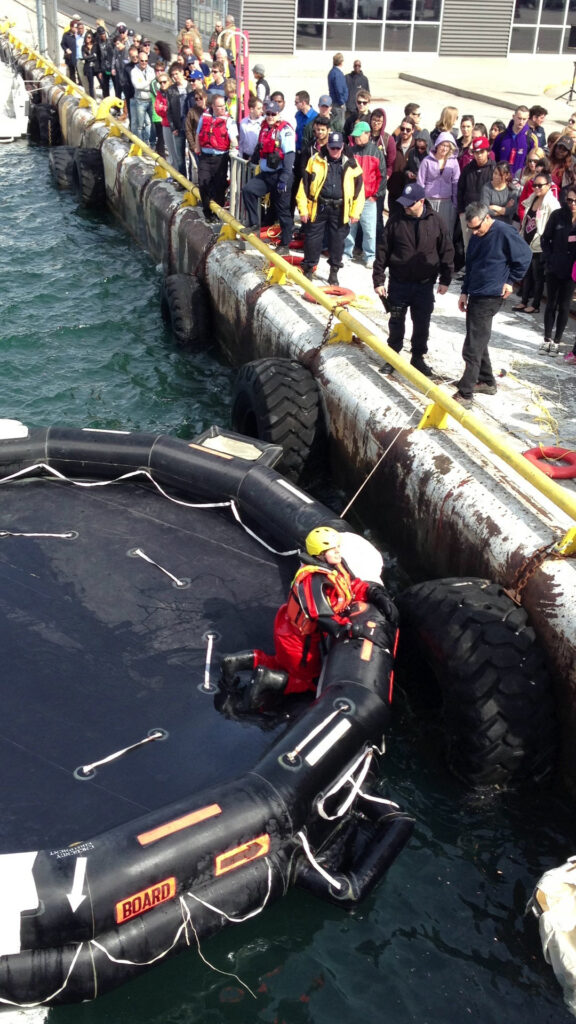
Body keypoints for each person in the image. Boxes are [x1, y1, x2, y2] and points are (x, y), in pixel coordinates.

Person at [220, 527, 396, 701]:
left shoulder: (335, 566)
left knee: (281, 663)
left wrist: (375, 593)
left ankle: (234, 662)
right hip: (300, 640)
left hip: (288, 628)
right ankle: (266, 680)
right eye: (332, 550)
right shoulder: (314, 580)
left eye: (337, 548)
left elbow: (351, 585)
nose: (337, 552)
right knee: (307, 680)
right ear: (320, 555)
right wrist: (350, 628)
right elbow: (322, 616)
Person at [454, 202, 532, 406]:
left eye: (478, 227)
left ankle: (466, 391)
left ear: (487, 218)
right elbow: (470, 264)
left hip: (491, 293)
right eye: (471, 229)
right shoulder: (476, 235)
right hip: (476, 292)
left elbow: (525, 256)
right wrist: (464, 292)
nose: (475, 232)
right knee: (478, 338)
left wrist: (511, 281)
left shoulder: (504, 232)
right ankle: (487, 380)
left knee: (472, 345)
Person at [373, 182, 454, 378]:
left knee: (422, 323)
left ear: (421, 201)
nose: (405, 207)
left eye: (410, 204)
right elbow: (382, 251)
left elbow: (447, 251)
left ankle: (418, 357)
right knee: (396, 321)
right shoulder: (395, 221)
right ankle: (392, 355)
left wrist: (446, 279)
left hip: (424, 285)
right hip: (399, 282)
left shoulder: (436, 221)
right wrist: (378, 279)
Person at [297, 129, 364, 285]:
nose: (335, 151)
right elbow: (304, 186)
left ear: (342, 147)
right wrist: (303, 208)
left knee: (337, 242)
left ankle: (334, 272)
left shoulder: (352, 165)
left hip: (340, 209)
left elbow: (360, 191)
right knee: (313, 239)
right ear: (327, 146)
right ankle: (309, 269)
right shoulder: (315, 161)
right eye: (332, 147)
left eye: (337, 148)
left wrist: (355, 212)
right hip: (318, 206)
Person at [243, 100, 296, 252]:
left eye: (273, 114)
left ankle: (285, 243)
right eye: (268, 114)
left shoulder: (285, 130)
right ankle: (254, 224)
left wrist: (284, 178)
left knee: (282, 210)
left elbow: (289, 155)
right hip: (267, 174)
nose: (270, 116)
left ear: (279, 114)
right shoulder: (264, 128)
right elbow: (259, 147)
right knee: (248, 190)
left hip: (281, 175)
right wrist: (251, 160)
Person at [514, 173, 559, 316]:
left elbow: (555, 225)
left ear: (549, 185)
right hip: (527, 242)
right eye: (535, 185)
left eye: (540, 185)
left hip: (540, 244)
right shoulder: (532, 198)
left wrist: (548, 241)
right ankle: (524, 300)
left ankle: (535, 304)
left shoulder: (552, 203)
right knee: (527, 274)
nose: (537, 188)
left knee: (538, 276)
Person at [344, 121, 386, 269]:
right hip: (352, 197)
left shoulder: (376, 152)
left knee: (369, 229)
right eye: (355, 136)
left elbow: (382, 175)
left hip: (369, 198)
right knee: (349, 227)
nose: (356, 139)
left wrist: (376, 195)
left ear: (367, 134)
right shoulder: (350, 151)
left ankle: (370, 256)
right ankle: (346, 253)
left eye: (359, 136)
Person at [540, 188, 576, 355]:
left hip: (572, 270)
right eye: (569, 200)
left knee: (565, 306)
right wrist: (549, 257)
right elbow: (545, 238)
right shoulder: (558, 215)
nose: (572, 204)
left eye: (575, 201)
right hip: (555, 265)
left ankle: (557, 340)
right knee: (551, 304)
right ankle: (547, 338)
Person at [195, 94, 238, 221]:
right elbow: (198, 133)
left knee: (220, 186)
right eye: (219, 106)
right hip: (205, 156)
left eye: (223, 106)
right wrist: (197, 147)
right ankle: (207, 211)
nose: (222, 109)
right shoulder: (205, 117)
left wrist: (234, 149)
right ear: (212, 106)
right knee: (203, 183)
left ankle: (218, 213)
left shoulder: (229, 120)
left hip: (220, 158)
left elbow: (234, 138)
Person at [456, 136, 495, 254]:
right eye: (476, 152)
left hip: (485, 215)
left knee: (486, 244)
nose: (478, 155)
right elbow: (460, 190)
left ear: (488, 151)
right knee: (468, 243)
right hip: (467, 213)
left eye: (482, 152)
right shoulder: (467, 168)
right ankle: (469, 268)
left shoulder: (494, 169)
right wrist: (461, 211)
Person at [417, 131, 460, 233]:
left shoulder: (453, 162)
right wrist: (420, 203)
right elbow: (420, 182)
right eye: (442, 145)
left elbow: (455, 183)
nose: (445, 148)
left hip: (446, 203)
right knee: (429, 230)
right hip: (429, 201)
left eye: (448, 146)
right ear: (437, 145)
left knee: (446, 231)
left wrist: (455, 204)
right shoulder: (427, 161)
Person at [492, 106, 537, 176]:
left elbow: (535, 162)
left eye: (524, 119)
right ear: (513, 116)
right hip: (501, 178)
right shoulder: (501, 137)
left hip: (520, 180)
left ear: (528, 119)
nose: (521, 122)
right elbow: (493, 158)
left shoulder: (531, 139)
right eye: (519, 118)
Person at [131, 50, 155, 144]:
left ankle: (149, 141)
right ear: (138, 60)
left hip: (150, 99)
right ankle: (141, 143)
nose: (144, 63)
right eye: (142, 60)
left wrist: (144, 85)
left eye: (146, 61)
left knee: (150, 123)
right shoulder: (134, 71)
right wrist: (148, 82)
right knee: (140, 125)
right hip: (140, 101)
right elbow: (137, 86)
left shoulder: (151, 70)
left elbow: (153, 86)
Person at [327, 52, 347, 131]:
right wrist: (341, 102)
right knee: (339, 123)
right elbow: (339, 89)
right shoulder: (337, 73)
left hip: (335, 101)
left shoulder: (332, 72)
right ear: (341, 62)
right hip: (338, 103)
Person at [81, 31, 98, 99]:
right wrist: (93, 56)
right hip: (88, 67)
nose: (87, 39)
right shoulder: (83, 47)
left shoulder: (95, 46)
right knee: (91, 85)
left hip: (96, 66)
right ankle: (92, 99)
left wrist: (89, 57)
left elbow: (96, 57)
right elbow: (84, 57)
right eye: (86, 37)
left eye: (89, 38)